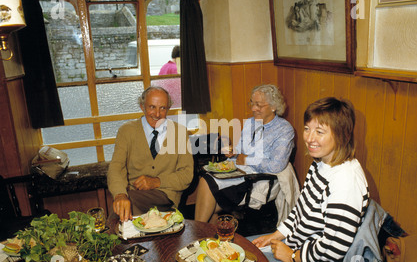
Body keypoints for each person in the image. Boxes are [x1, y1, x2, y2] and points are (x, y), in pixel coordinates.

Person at [249, 97, 370, 262]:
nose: (309, 138)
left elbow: (333, 248)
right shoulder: (321, 163)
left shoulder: (346, 180)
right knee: (239, 247)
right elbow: (300, 211)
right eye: (307, 128)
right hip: (299, 250)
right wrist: (276, 235)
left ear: (342, 135)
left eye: (319, 132)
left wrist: (293, 256)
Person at [194, 84, 295, 224]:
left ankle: (199, 232)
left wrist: (247, 160)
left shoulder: (284, 129)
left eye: (258, 105)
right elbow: (240, 149)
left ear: (273, 106)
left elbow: (277, 165)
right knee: (206, 178)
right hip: (239, 171)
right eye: (252, 103)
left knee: (208, 190)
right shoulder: (250, 123)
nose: (253, 108)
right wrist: (232, 151)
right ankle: (206, 234)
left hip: (255, 179)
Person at [107, 86, 194, 222]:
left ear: (168, 108)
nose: (157, 114)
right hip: (133, 194)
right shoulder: (126, 131)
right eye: (152, 107)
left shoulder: (180, 132)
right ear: (142, 106)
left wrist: (157, 182)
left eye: (163, 108)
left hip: (166, 197)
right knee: (124, 206)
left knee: (126, 208)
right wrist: (120, 195)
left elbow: (186, 175)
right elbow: (116, 168)